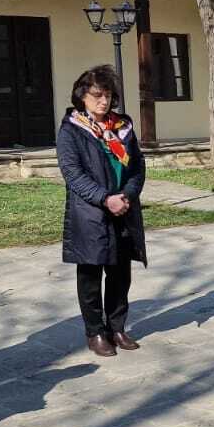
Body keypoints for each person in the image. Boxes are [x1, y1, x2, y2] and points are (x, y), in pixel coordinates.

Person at [57, 65, 147, 358]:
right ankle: (95, 331)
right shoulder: (72, 129)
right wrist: (105, 198)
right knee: (91, 275)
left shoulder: (123, 126)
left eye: (107, 95)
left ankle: (117, 326)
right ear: (82, 96)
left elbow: (136, 167)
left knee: (121, 273)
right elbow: (73, 174)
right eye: (97, 95)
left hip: (124, 207)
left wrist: (128, 195)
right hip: (91, 213)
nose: (103, 101)